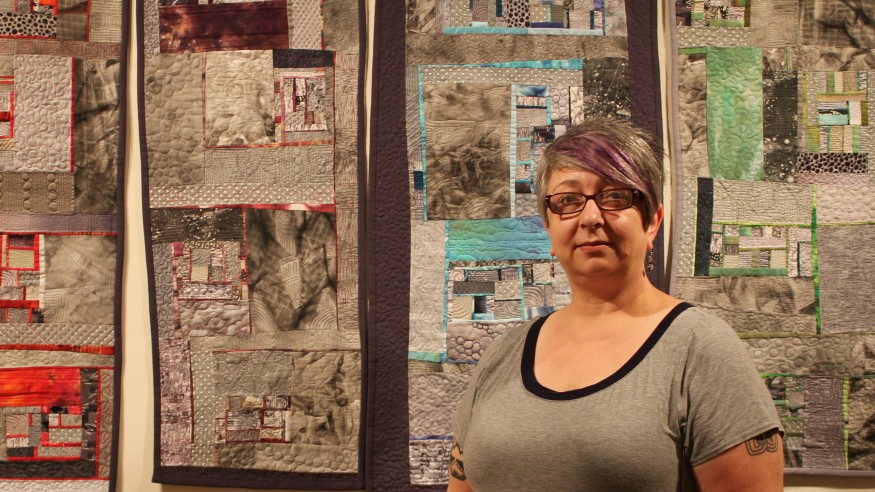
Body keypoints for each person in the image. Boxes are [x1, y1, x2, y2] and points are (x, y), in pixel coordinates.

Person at [448, 119, 783, 491]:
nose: (591, 217)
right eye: (568, 200)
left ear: (652, 222)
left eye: (615, 196)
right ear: (548, 228)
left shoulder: (701, 349)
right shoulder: (504, 354)